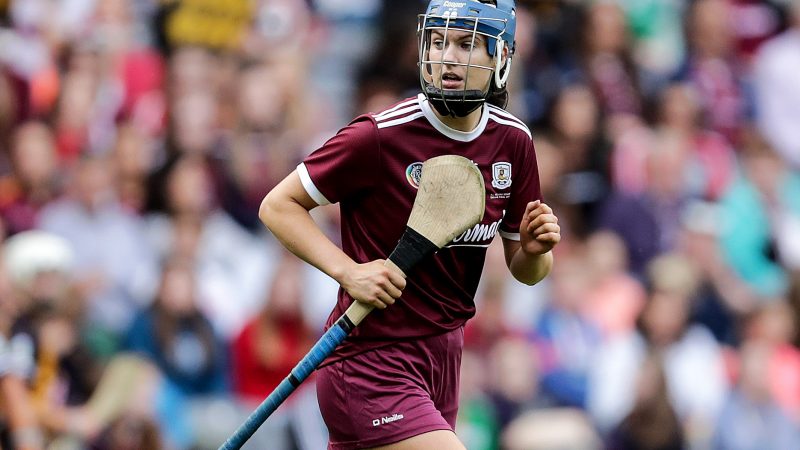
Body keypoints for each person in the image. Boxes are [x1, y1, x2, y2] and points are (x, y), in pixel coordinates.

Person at [259, 1, 561, 448]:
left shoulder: (512, 141)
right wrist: (348, 272)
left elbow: (526, 270)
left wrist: (536, 252)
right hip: (369, 358)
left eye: (465, 44)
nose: (448, 57)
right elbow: (277, 206)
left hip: (443, 359)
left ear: (500, 57)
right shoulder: (380, 135)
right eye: (438, 42)